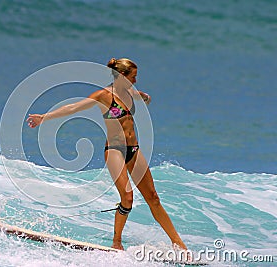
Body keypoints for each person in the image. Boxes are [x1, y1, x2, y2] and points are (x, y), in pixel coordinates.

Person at [27, 58, 187, 251]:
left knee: (153, 197)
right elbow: (73, 107)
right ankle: (116, 242)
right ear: (122, 76)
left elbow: (140, 97)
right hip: (114, 151)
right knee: (127, 198)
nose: (136, 81)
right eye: (133, 77)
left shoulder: (129, 92)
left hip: (134, 150)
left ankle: (178, 244)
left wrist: (144, 97)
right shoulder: (103, 95)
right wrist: (43, 118)